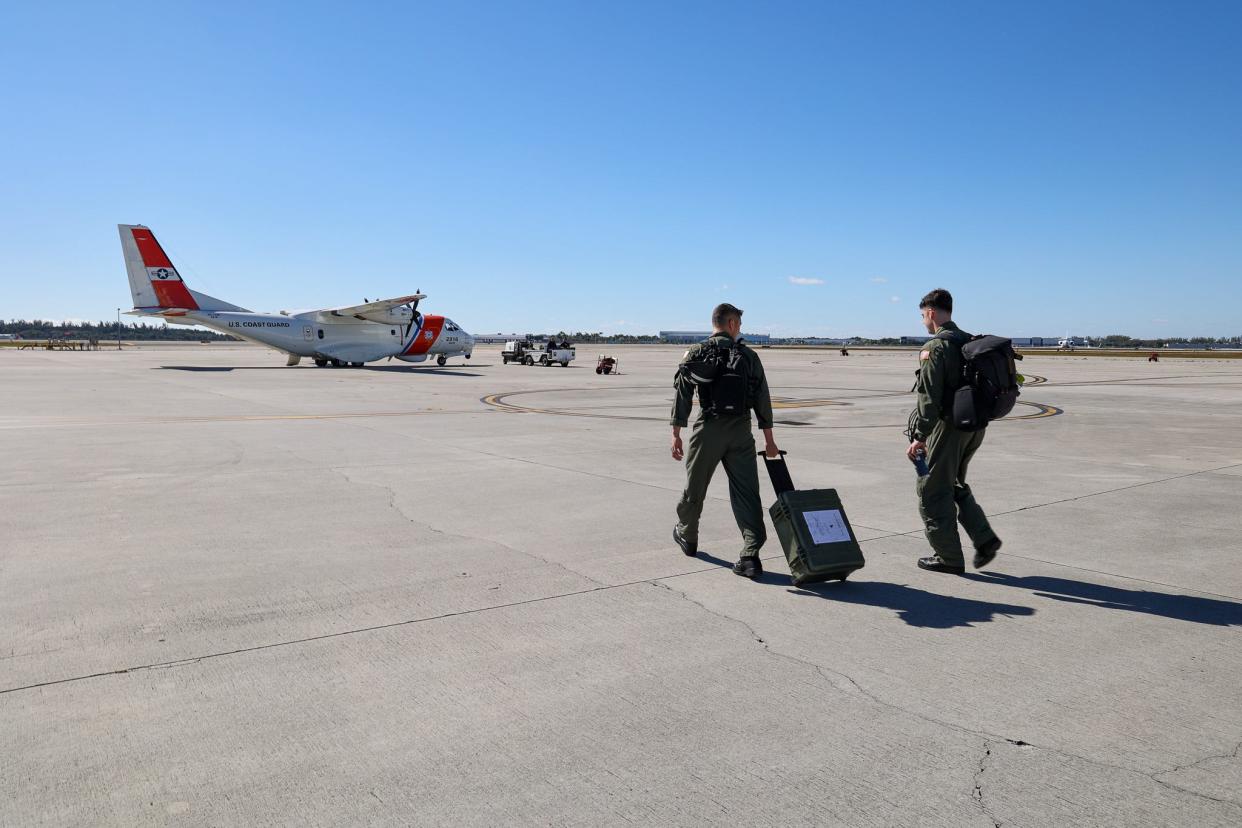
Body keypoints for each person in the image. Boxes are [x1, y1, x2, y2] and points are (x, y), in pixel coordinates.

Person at [670, 303, 779, 579]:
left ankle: (688, 535)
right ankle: (751, 555)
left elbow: (683, 393)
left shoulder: (697, 352)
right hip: (741, 431)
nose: (740, 329)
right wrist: (769, 440)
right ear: (731, 324)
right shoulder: (749, 356)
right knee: (747, 493)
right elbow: (762, 398)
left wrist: (676, 433)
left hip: (708, 428)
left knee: (695, 488)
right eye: (739, 325)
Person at [906, 289, 1002, 574]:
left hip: (948, 428)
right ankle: (984, 539)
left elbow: (929, 396)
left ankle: (947, 556)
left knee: (932, 489)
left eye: (923, 316)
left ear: (931, 313)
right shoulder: (968, 341)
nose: (924, 321)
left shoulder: (935, 347)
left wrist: (919, 436)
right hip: (974, 427)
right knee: (954, 484)